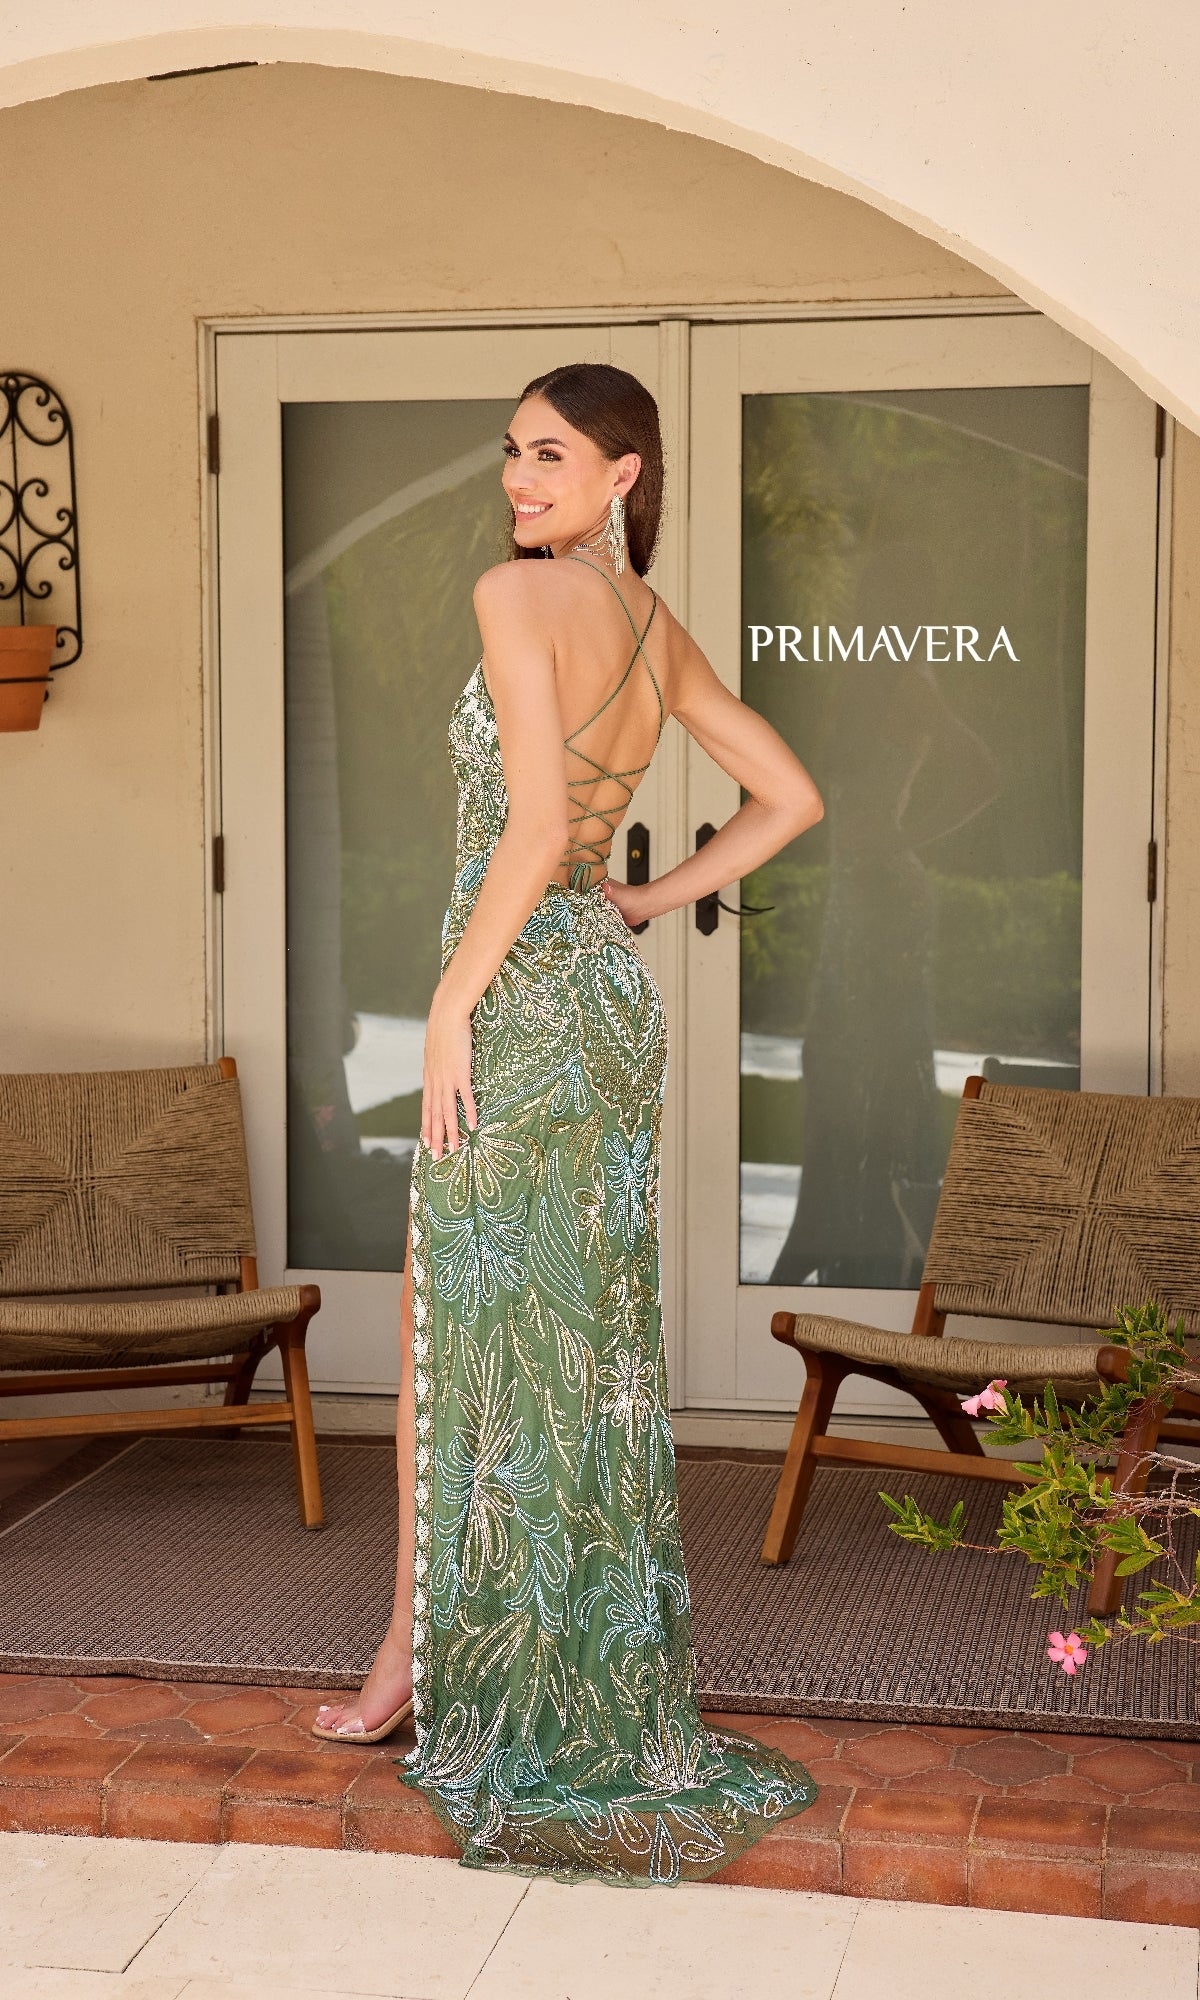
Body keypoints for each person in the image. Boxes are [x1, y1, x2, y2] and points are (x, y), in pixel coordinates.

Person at [314, 362, 825, 1884]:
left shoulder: (514, 595)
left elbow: (536, 827)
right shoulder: (656, 629)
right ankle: (482, 1653)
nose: (518, 479)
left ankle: (417, 1661)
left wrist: (451, 1004)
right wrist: (650, 903)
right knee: (567, 1340)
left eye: (550, 454)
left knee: (457, 1335)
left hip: (520, 1001)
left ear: (623, 474)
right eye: (511, 454)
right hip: (602, 996)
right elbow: (790, 797)